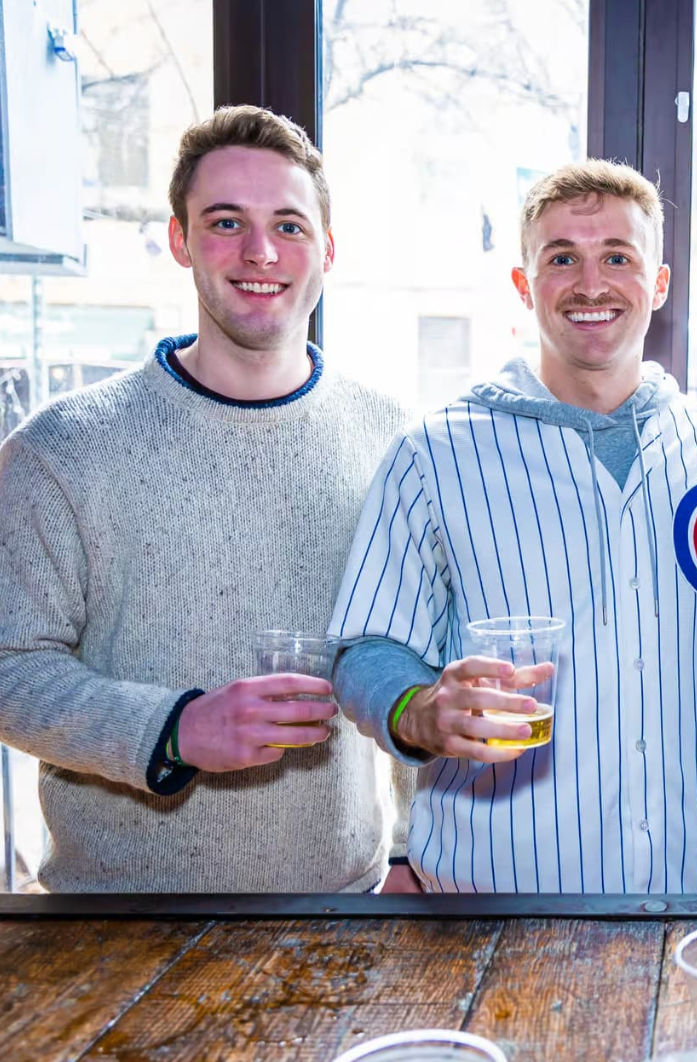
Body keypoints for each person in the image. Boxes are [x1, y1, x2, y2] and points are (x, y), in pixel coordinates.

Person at [0, 106, 408, 892]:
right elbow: (9, 666)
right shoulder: (64, 447)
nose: (261, 252)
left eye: (290, 226)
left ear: (329, 249)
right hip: (116, 927)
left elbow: (417, 659)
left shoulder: (393, 440)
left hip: (342, 910)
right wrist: (175, 728)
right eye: (227, 222)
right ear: (180, 241)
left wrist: (409, 853)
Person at [329, 159, 697, 893]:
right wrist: (421, 710)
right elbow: (367, 650)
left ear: (659, 284)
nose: (591, 284)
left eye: (618, 257)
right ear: (524, 287)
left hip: (695, 893)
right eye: (562, 259)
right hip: (494, 898)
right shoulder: (435, 452)